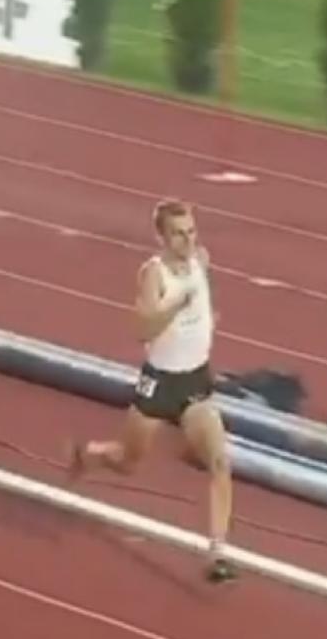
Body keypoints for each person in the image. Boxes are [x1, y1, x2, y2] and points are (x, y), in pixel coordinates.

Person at [67, 199, 235, 582]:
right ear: (162, 236)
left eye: (191, 231)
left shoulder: (201, 260)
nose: (187, 240)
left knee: (220, 462)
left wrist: (207, 321)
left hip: (195, 381)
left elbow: (202, 301)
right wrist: (176, 307)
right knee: (128, 462)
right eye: (178, 234)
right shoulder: (154, 274)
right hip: (160, 383)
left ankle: (217, 554)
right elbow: (142, 330)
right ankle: (90, 454)